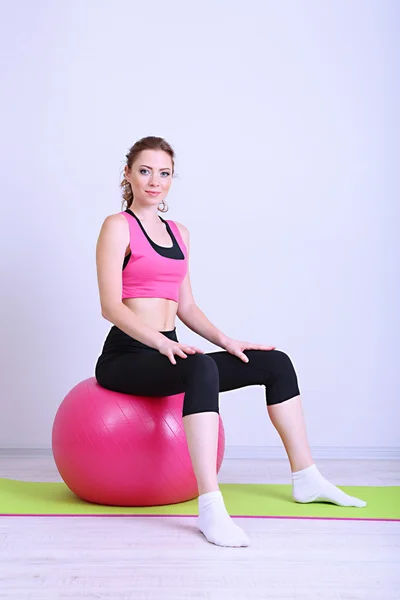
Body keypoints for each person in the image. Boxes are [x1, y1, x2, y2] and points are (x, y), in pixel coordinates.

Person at [94, 135, 366, 548]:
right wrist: (162, 344)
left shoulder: (179, 233)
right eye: (145, 171)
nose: (155, 181)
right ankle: (210, 506)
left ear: (172, 179)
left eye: (164, 173)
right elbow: (111, 306)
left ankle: (306, 477)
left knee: (275, 363)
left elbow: (186, 306)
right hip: (126, 355)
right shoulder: (117, 227)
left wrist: (227, 340)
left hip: (170, 350)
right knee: (200, 364)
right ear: (128, 174)